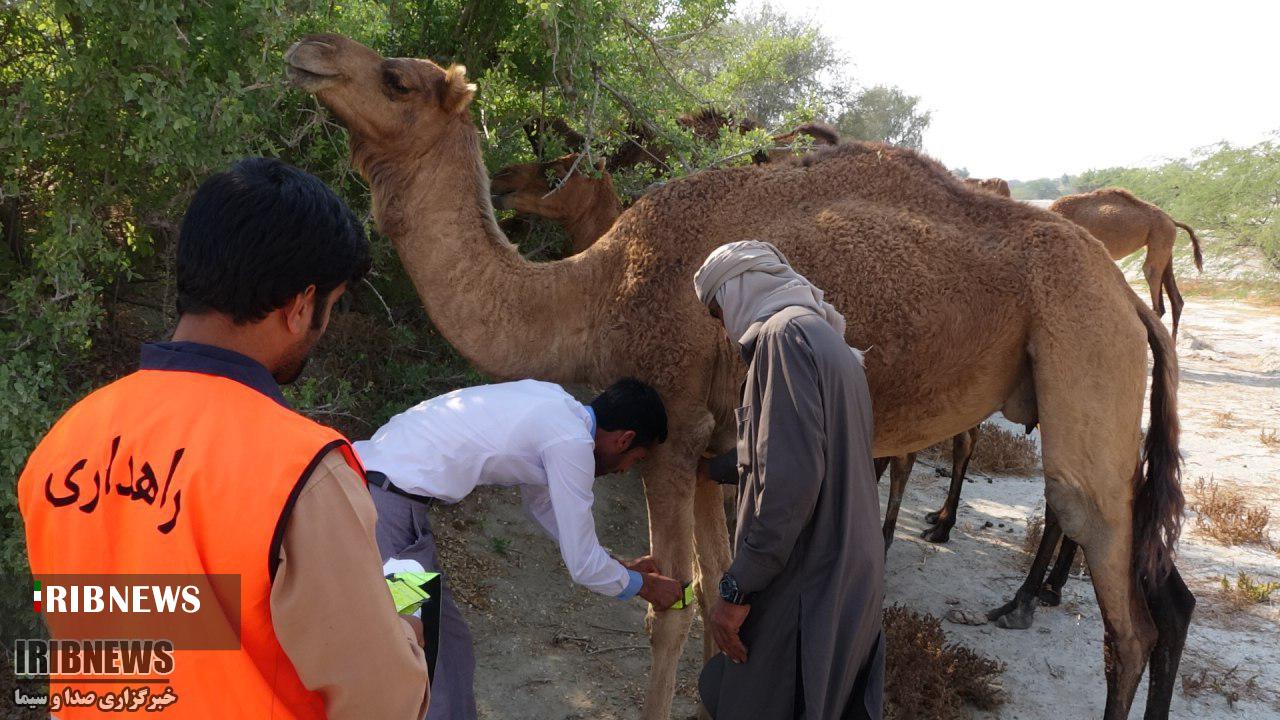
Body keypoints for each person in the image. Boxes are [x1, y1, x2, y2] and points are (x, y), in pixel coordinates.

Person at [17, 158, 430, 719]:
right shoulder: (302, 470)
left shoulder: (65, 441)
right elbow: (382, 700)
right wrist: (403, 626)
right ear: (301, 305)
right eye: (328, 309)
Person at [356, 377, 685, 720]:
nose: (623, 470)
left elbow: (545, 507)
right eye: (635, 459)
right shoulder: (570, 442)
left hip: (386, 496)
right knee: (425, 654)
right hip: (390, 515)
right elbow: (583, 566)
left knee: (450, 648)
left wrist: (618, 565)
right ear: (625, 439)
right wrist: (646, 587)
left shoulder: (555, 406)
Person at [692, 240, 885, 720]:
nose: (721, 327)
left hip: (809, 575)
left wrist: (737, 589)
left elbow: (790, 483)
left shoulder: (782, 338)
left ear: (737, 290)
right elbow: (798, 446)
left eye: (717, 312)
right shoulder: (824, 337)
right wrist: (712, 469)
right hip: (852, 567)